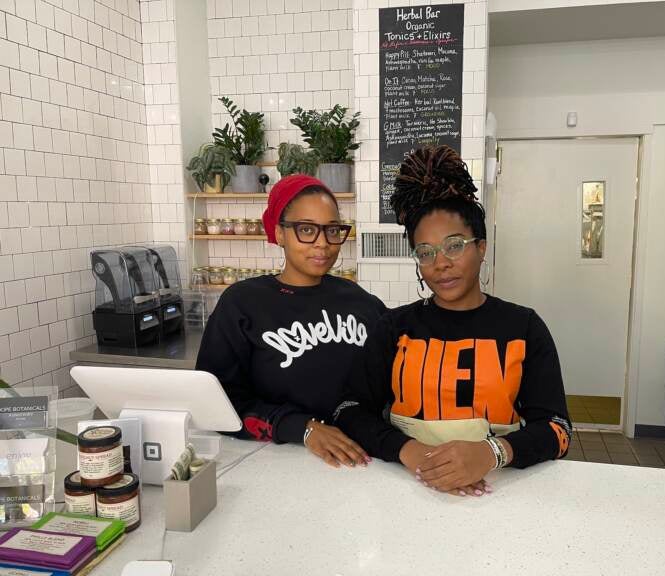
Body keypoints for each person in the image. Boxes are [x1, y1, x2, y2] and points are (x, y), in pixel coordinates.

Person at [335, 146, 571, 496]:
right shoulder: (393, 328)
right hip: (408, 488)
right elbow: (349, 410)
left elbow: (558, 430)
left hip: (500, 491)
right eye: (425, 252)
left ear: (482, 247)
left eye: (455, 246)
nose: (440, 263)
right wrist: (409, 451)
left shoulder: (523, 327)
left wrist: (492, 454)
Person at [197, 175, 386, 468]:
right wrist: (303, 429)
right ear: (280, 233)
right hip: (275, 462)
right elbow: (215, 404)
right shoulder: (243, 303)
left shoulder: (361, 301)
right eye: (307, 230)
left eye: (332, 230)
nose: (323, 244)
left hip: (361, 460)